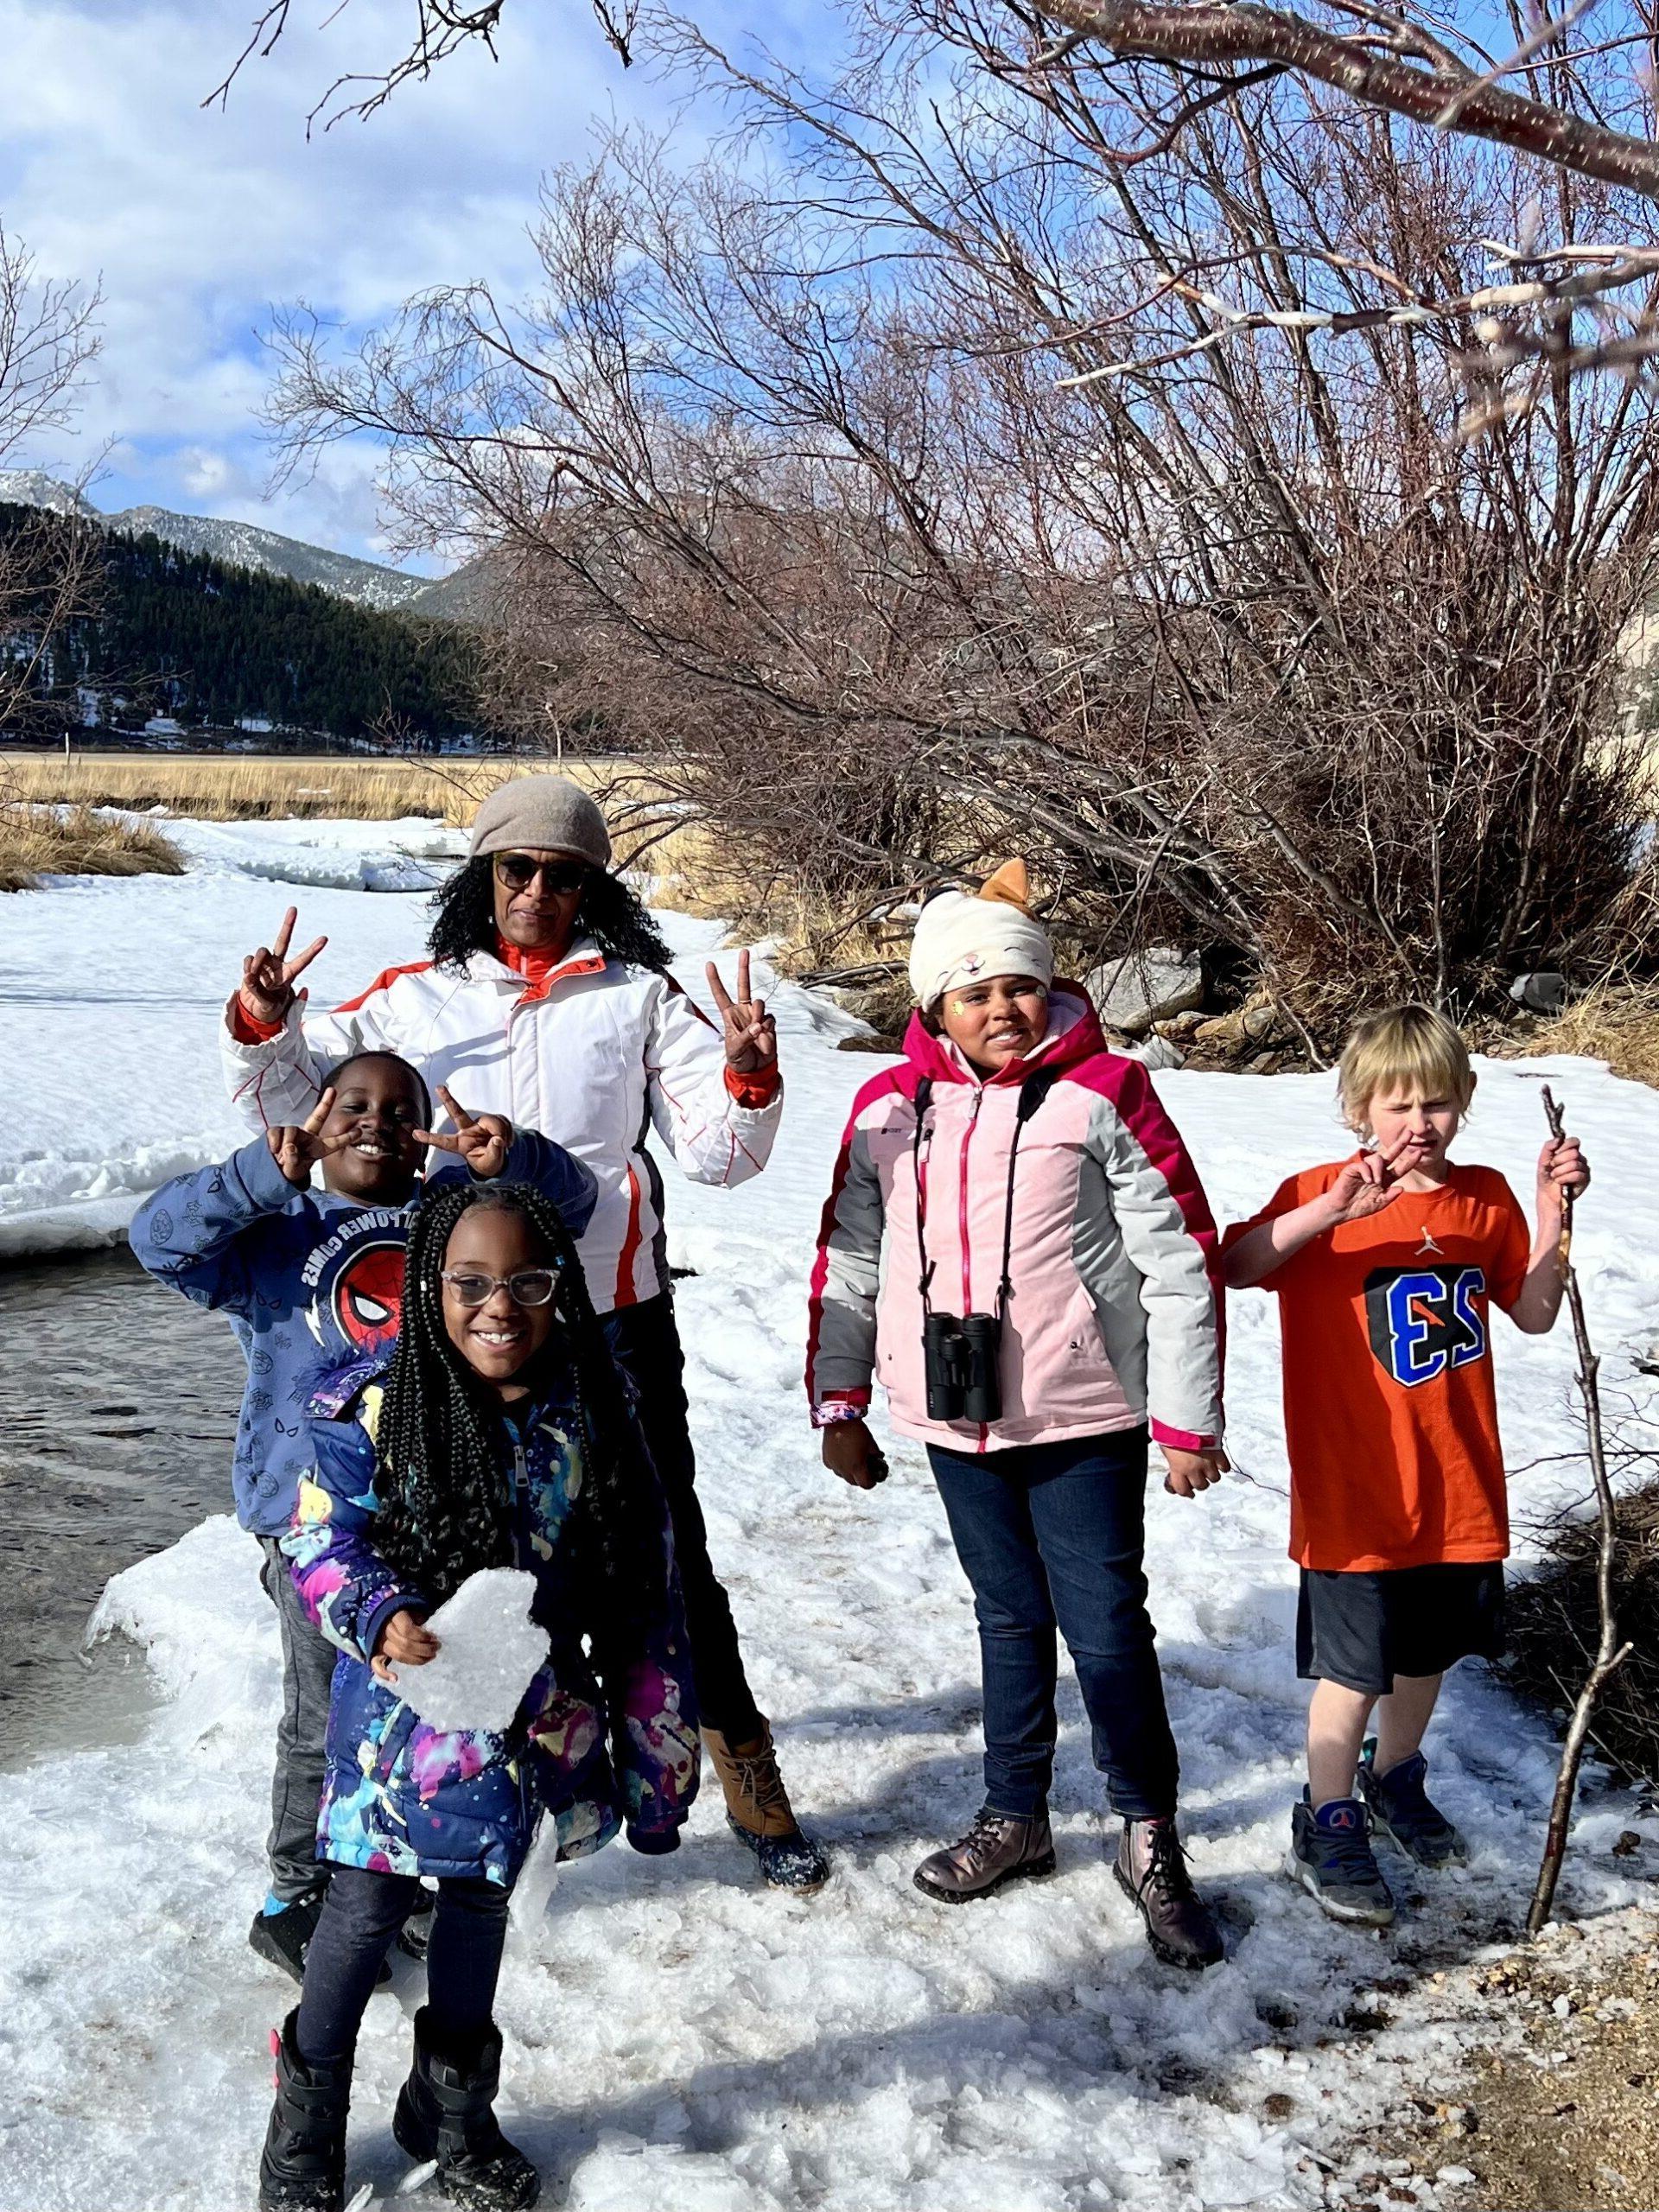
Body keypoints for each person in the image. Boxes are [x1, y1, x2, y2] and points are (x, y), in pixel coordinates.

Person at [216, 776, 826, 1889]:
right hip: (461, 1335)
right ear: (482, 877)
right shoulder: (413, 1000)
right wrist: (267, 1025)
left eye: (563, 873)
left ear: (593, 885)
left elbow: (722, 1155)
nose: (538, 891)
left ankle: (739, 1758)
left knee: (660, 1548)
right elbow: (297, 1107)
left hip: (613, 1325)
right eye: (516, 870)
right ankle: (443, 1800)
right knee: (453, 1559)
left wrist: (746, 1074)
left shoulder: (639, 997)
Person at [806, 863, 1227, 1969]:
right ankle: (1017, 1813)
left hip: (1084, 1413)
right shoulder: (888, 1110)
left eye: (1021, 986)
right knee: (1006, 1618)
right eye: (974, 991)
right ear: (934, 1005)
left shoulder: (1108, 1094)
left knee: (1104, 1627)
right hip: (958, 1413)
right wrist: (839, 1399)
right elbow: (850, 1258)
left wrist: (1187, 1423)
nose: (1002, 1008)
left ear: (1054, 990)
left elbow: (1181, 1261)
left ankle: (1148, 1830)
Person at [260, 1179, 698, 2212]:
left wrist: (653, 1763)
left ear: (560, 1294)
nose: (498, 1305)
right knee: (362, 1908)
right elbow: (320, 1538)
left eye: (526, 1282)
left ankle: (449, 2109)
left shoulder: (588, 1412)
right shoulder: (366, 1402)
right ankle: (306, 2115)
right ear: (428, 1289)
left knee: (480, 1902)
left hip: (524, 1728)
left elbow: (643, 1581)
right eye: (470, 1282)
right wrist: (375, 1613)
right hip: (393, 1738)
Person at [130, 1055, 596, 1981]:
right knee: (320, 1713)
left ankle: (410, 1861)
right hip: (314, 1521)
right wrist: (262, 1175)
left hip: (441, 1510)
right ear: (313, 1116)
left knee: (430, 1694)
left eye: (400, 1109)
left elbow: (570, 1208)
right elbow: (157, 1241)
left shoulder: (446, 1215)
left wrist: (511, 1161)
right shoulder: (277, 1230)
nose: (374, 1120)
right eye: (351, 1104)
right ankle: (296, 1890)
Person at [1222, 1003, 1591, 1928]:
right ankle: (1327, 1811)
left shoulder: (1484, 1197)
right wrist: (1329, 1211)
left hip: (1458, 1481)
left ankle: (1395, 1779)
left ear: (1463, 1103)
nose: (1417, 1124)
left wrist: (1553, 1214)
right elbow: (1236, 1261)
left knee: (1428, 1654)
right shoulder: (1321, 1189)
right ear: (1358, 1109)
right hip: (1355, 1488)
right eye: (1396, 1106)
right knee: (1353, 1669)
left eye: (1436, 1103)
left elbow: (1535, 1309)